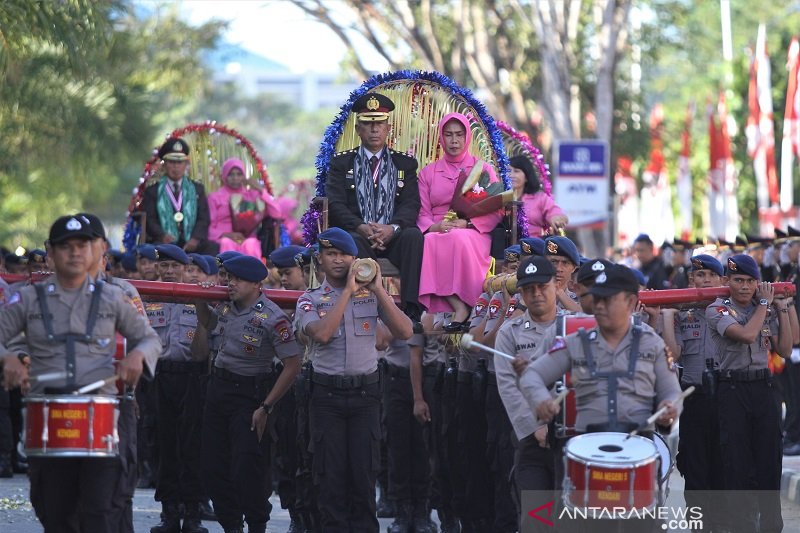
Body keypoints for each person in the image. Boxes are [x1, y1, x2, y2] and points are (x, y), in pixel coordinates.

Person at [0, 215, 161, 532]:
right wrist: (9, 358)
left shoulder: (115, 297)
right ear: (51, 254)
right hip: (47, 419)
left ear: (96, 251)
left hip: (101, 418)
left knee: (100, 512)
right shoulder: (28, 298)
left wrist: (138, 356)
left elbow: (149, 338)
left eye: (82, 246)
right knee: (55, 514)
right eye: (65, 246)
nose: (74, 253)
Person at [295, 227, 413, 532]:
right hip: (326, 399)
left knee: (363, 479)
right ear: (319, 260)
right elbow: (320, 334)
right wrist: (347, 292)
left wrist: (376, 289)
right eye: (330, 254)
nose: (338, 260)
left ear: (354, 258)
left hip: (365, 398)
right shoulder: (310, 299)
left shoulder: (372, 295)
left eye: (344, 255)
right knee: (330, 480)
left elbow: (405, 331)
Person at [195, 254, 301, 533]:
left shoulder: (273, 317)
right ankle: (231, 525)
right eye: (229, 278)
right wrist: (198, 299)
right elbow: (208, 324)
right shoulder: (226, 308)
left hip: (250, 395)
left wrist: (266, 407)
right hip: (218, 391)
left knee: (247, 468)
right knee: (212, 467)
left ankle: (256, 524)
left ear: (256, 283)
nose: (230, 283)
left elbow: (292, 364)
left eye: (237, 279)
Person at [705, 254, 795, 532]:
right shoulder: (717, 309)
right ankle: (741, 526)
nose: (745, 286)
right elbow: (745, 334)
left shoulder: (764, 308)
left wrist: (784, 307)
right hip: (732, 389)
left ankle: (771, 526)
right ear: (726, 281)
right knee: (737, 463)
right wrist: (766, 304)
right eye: (738, 280)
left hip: (763, 387)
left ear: (758, 282)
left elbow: (786, 349)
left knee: (770, 461)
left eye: (750, 281)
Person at [325, 93, 424, 322]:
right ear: (358, 129)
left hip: (393, 237)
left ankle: (411, 311)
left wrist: (392, 228)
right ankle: (366, 310)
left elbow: (411, 204)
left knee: (413, 236)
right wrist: (360, 227)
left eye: (379, 124)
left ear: (388, 128)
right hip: (359, 236)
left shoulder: (404, 164)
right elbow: (336, 204)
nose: (374, 130)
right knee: (352, 241)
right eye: (368, 124)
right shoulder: (342, 163)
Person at [417, 112, 504, 330]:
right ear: (441, 138)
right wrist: (436, 226)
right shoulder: (428, 173)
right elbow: (421, 211)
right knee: (429, 241)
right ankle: (459, 306)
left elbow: (495, 208)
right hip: (438, 229)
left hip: (473, 230)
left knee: (456, 237)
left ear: (467, 138)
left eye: (458, 135)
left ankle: (469, 302)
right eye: (448, 135)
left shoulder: (482, 169)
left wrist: (468, 224)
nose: (454, 141)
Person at [146, 244, 210, 533]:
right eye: (165, 266)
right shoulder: (149, 297)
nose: (169, 271)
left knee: (193, 445)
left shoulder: (197, 297)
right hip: (159, 376)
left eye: (175, 266)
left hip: (191, 377)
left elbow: (202, 349)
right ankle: (169, 511)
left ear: (186, 269)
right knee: (164, 445)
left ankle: (193, 512)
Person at [494, 256, 560, 531]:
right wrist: (536, 427)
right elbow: (509, 386)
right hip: (532, 441)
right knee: (537, 519)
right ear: (520, 292)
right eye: (529, 288)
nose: (536, 293)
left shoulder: (575, 327)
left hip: (570, 436)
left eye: (542, 286)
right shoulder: (509, 333)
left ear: (556, 285)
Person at [660, 254, 725, 530]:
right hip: (694, 397)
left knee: (725, 466)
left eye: (711, 275)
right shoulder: (683, 314)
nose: (706, 280)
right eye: (700, 275)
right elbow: (673, 354)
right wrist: (667, 316)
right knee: (694, 467)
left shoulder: (732, 310)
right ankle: (699, 525)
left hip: (727, 396)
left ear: (722, 280)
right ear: (691, 280)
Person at [142, 137, 213, 254]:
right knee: (152, 251)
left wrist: (195, 239)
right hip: (163, 242)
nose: (176, 166)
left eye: (179, 162)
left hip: (191, 242)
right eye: (171, 162)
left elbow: (203, 218)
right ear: (164, 165)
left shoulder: (197, 189)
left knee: (212, 249)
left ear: (186, 164)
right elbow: (150, 219)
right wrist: (162, 235)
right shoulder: (152, 191)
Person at [207, 158, 282, 259]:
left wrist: (260, 190)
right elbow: (209, 226)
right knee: (227, 243)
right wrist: (226, 235)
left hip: (247, 238)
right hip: (223, 239)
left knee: (251, 244)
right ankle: (227, 273)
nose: (235, 178)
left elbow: (277, 213)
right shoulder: (215, 197)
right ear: (224, 176)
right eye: (231, 174)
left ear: (244, 176)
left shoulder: (251, 195)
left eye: (239, 174)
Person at [508, 155, 567, 236]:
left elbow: (555, 212)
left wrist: (557, 219)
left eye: (516, 171)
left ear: (527, 177)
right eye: (508, 171)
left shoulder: (540, 198)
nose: (511, 175)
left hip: (532, 245)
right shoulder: (500, 197)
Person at [543, 236, 581, 313]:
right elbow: (512, 322)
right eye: (554, 262)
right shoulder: (530, 294)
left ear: (574, 268)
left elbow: (586, 320)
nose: (558, 269)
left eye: (565, 263)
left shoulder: (580, 298)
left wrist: (560, 294)